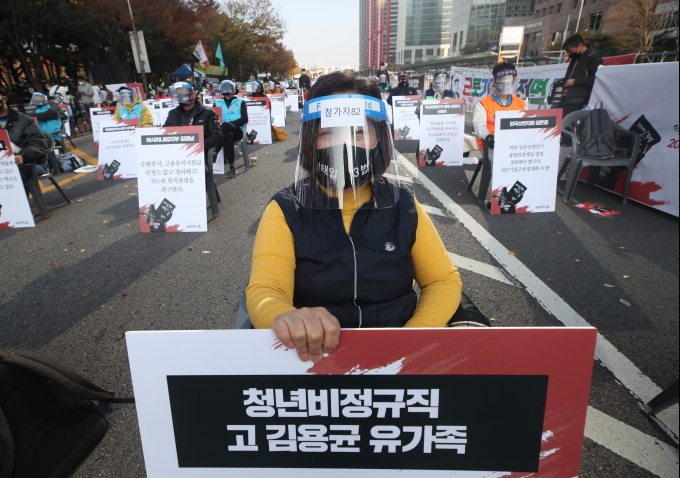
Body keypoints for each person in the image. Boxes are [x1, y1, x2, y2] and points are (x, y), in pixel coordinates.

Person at [246, 72, 463, 363]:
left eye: (358, 132)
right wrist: (286, 319)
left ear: (378, 138)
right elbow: (266, 290)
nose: (345, 145)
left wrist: (411, 341)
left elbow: (442, 281)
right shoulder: (286, 210)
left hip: (400, 354)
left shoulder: (403, 204)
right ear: (311, 142)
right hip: (315, 357)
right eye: (328, 133)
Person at [0, 88, 49, 196]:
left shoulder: (24, 120)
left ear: (4, 99)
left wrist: (22, 156)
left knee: (16, 174)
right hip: (3, 166)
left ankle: (21, 210)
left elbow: (39, 144)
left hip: (33, 163)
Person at [473, 62, 526, 158]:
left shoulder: (521, 103)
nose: (506, 82)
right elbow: (479, 125)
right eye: (502, 78)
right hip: (491, 145)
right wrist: (488, 137)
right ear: (494, 81)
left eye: (509, 79)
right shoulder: (483, 104)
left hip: (515, 144)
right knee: (502, 159)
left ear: (514, 80)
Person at [163, 81, 223, 160]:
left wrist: (198, 145)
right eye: (178, 92)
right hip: (176, 156)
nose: (180, 94)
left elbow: (217, 136)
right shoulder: (173, 113)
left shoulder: (208, 113)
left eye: (183, 91)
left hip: (199, 156)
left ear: (193, 94)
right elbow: (165, 135)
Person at [560, 33, 604, 118]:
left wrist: (575, 82)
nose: (569, 54)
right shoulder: (575, 58)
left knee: (570, 122)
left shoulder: (593, 57)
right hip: (568, 97)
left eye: (571, 51)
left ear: (580, 45)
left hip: (580, 99)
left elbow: (597, 78)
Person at [214, 80, 248, 178]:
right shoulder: (217, 102)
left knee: (225, 126)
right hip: (224, 132)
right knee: (229, 135)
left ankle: (215, 150)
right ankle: (232, 166)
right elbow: (213, 118)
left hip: (238, 130)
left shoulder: (240, 102)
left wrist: (230, 124)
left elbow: (245, 119)